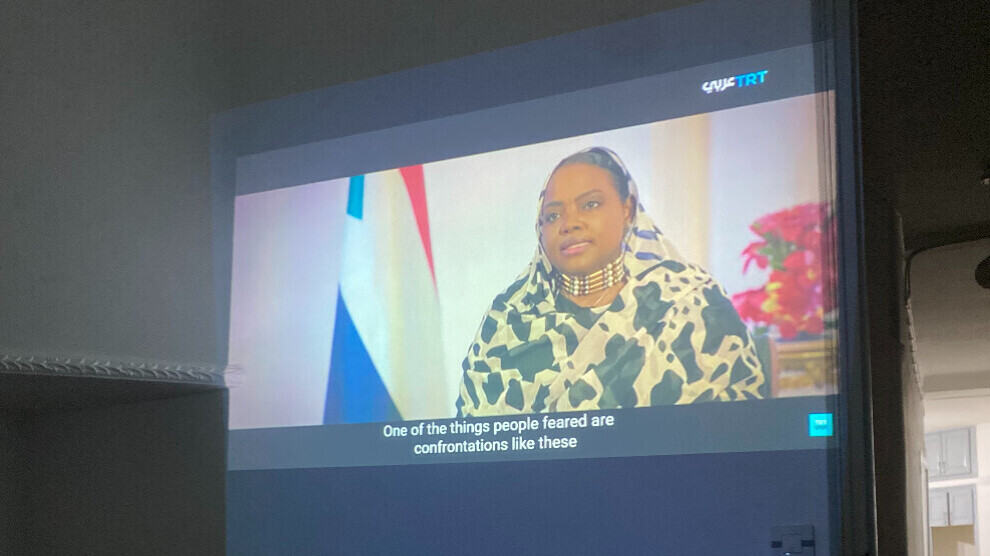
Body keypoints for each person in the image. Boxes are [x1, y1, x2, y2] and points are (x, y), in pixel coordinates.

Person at [455, 147, 764, 417]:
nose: (569, 224)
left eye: (589, 204)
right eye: (553, 216)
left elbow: (740, 430)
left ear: (627, 209)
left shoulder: (690, 303)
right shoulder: (507, 318)